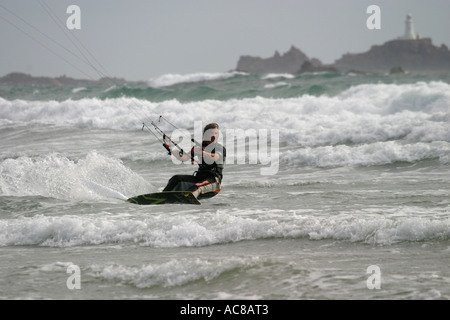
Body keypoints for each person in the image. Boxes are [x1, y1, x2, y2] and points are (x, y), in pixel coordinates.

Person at [163, 123, 225, 199]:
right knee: (176, 179)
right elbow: (184, 158)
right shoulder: (198, 147)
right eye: (211, 133)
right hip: (199, 178)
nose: (214, 136)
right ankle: (161, 197)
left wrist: (203, 153)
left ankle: (186, 198)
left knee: (197, 187)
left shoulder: (220, 148)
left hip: (214, 182)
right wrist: (174, 152)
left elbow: (214, 157)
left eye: (216, 133)